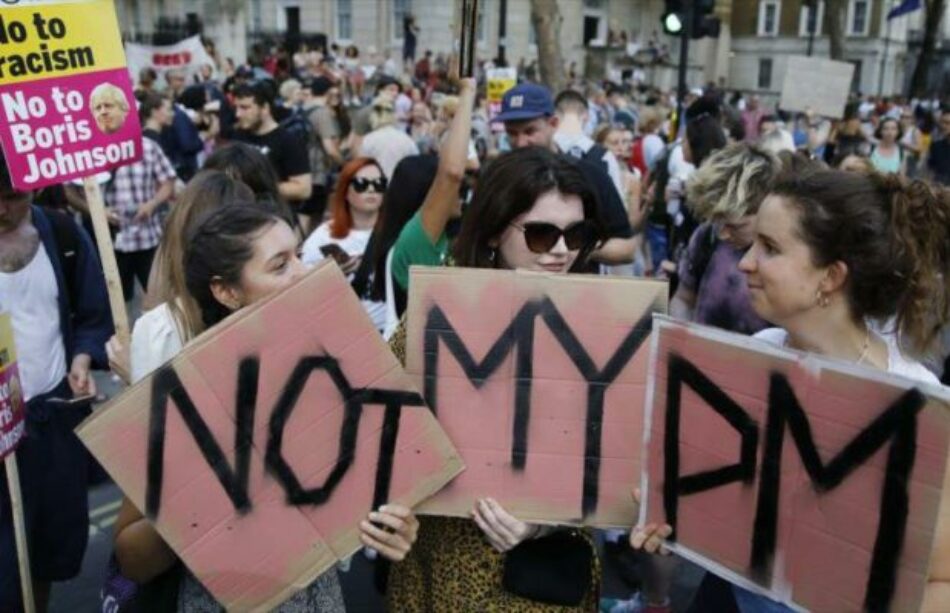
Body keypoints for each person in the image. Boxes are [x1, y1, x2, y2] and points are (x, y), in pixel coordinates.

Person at [631, 168, 950, 612]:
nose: (745, 262)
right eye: (753, 243)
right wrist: (677, 522)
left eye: (771, 248)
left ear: (831, 277)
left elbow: (941, 580)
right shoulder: (759, 354)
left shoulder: (916, 401)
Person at [114, 201, 421, 611]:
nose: (305, 271)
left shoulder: (334, 368)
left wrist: (394, 525)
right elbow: (133, 558)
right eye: (280, 266)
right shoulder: (188, 395)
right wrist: (204, 494)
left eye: (298, 255)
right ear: (226, 291)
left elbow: (361, 497)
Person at [386, 145, 607, 612]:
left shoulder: (602, 326)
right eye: (542, 234)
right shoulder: (437, 314)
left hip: (543, 581)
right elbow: (380, 429)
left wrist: (545, 523)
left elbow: (612, 460)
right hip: (445, 562)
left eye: (578, 234)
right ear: (492, 233)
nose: (563, 251)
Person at [0, 156, 112, 612]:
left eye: (13, 198)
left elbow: (92, 311)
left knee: (46, 551)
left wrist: (83, 356)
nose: (3, 210)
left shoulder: (62, 234)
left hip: (51, 422)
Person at [497, 83, 636, 268]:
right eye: (512, 133)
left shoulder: (590, 175)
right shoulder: (498, 178)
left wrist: (572, 245)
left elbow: (626, 247)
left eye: (530, 131)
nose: (521, 142)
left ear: (553, 124)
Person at [301, 158, 387, 330]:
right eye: (361, 184)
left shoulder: (398, 233)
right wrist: (332, 275)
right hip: (341, 331)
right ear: (345, 191)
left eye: (379, 184)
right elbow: (303, 292)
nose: (371, 189)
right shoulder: (323, 237)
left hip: (388, 334)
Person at [104, 114, 177, 303]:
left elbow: (168, 181)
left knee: (160, 297)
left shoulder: (148, 146)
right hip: (111, 242)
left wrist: (151, 205)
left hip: (147, 238)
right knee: (116, 303)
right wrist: (99, 212)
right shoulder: (95, 149)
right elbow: (71, 191)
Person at [230, 82, 313, 226]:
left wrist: (255, 187)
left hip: (275, 221)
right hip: (242, 218)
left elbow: (303, 189)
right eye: (236, 107)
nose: (238, 114)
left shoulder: (288, 140)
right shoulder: (238, 135)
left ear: (265, 108)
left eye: (245, 107)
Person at [357, 96, 420, 180]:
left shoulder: (368, 140)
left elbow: (362, 168)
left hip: (377, 186)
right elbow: (416, 167)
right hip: (400, 186)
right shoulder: (407, 140)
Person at [925, 110, 950, 186]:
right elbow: (930, 170)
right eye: (942, 122)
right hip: (939, 191)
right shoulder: (935, 146)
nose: (943, 126)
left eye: (947, 123)